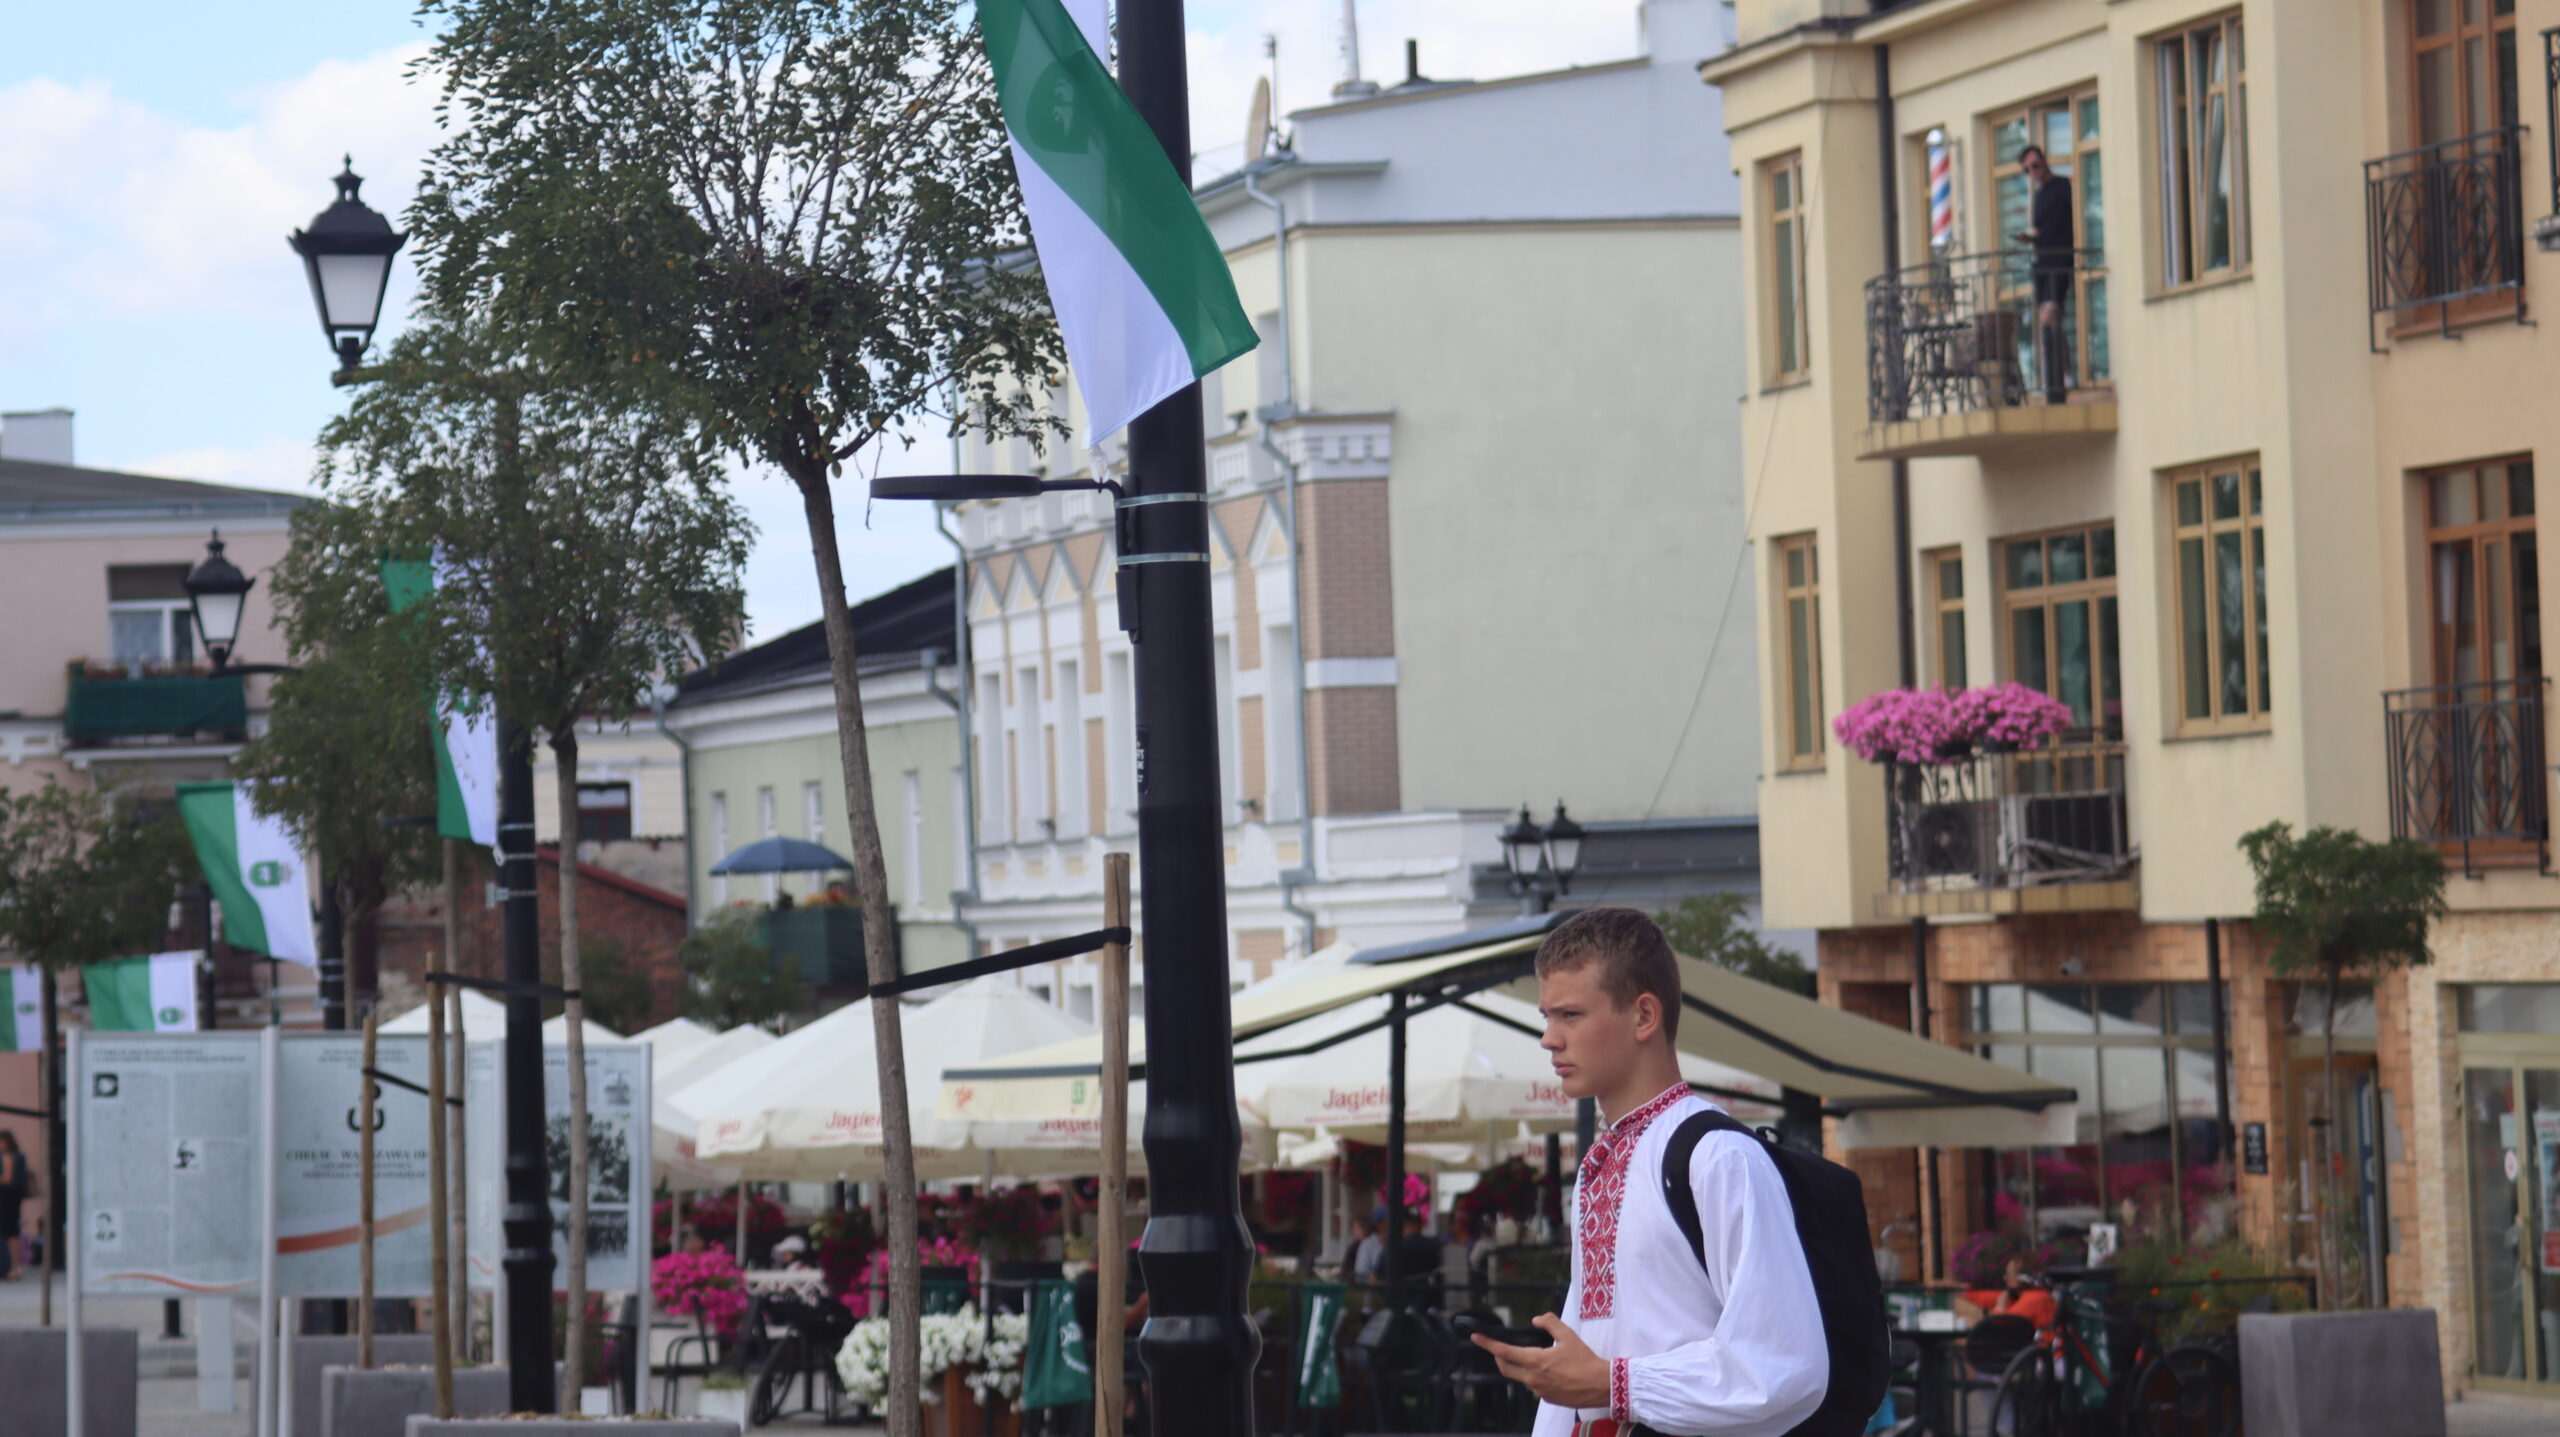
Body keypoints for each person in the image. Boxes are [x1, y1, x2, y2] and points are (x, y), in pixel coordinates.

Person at [1472, 908, 1828, 1437]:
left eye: (1570, 1015)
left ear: (1643, 1016)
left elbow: (1784, 1363)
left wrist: (1616, 1385)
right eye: (1547, 1016)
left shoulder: (1720, 1158)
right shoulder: (1599, 1163)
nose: (1549, 1038)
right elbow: (1588, 1358)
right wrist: (1589, 1386)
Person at [2011, 143, 2075, 404]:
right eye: (2027, 170)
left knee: (2051, 314)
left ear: (2044, 161)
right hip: (2042, 262)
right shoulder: (2038, 195)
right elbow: (2041, 229)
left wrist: (2041, 235)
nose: (2033, 172)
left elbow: (2066, 224)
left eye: (2035, 165)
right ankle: (2056, 375)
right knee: (2046, 321)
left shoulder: (2062, 186)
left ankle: (2063, 377)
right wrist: (2030, 237)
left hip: (2059, 260)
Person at [1955, 1257, 2057, 1333]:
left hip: (2041, 1353)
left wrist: (1999, 1308)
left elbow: (1999, 1328)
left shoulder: (2034, 1298)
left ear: (2021, 1279)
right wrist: (1962, 1294)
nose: (2005, 1278)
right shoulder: (2025, 1295)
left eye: (2009, 1275)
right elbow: (1984, 1297)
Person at [0, 1131, 26, 1280]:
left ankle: (14, 1267)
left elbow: (7, 1178)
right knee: (12, 1232)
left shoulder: (8, 1156)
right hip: (12, 1198)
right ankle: (14, 1267)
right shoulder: (18, 1156)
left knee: (10, 1233)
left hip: (7, 1198)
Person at [1350, 1213, 1386, 1284]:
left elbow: (1362, 1270)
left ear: (1365, 1228)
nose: (1354, 1231)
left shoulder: (1367, 1243)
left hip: (1369, 1284)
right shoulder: (1374, 1240)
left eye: (1356, 1228)